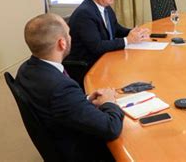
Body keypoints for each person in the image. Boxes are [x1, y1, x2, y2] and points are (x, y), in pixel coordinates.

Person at [15, 13, 124, 161]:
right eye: (68, 33)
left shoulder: (25, 70)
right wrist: (109, 102)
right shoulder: (61, 87)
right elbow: (111, 128)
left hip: (58, 132)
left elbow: (60, 105)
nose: (71, 37)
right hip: (81, 151)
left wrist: (85, 99)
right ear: (62, 43)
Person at [67, 0, 150, 67]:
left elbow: (116, 29)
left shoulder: (105, 7)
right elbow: (97, 46)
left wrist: (135, 33)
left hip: (104, 58)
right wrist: (127, 40)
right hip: (88, 65)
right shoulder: (85, 14)